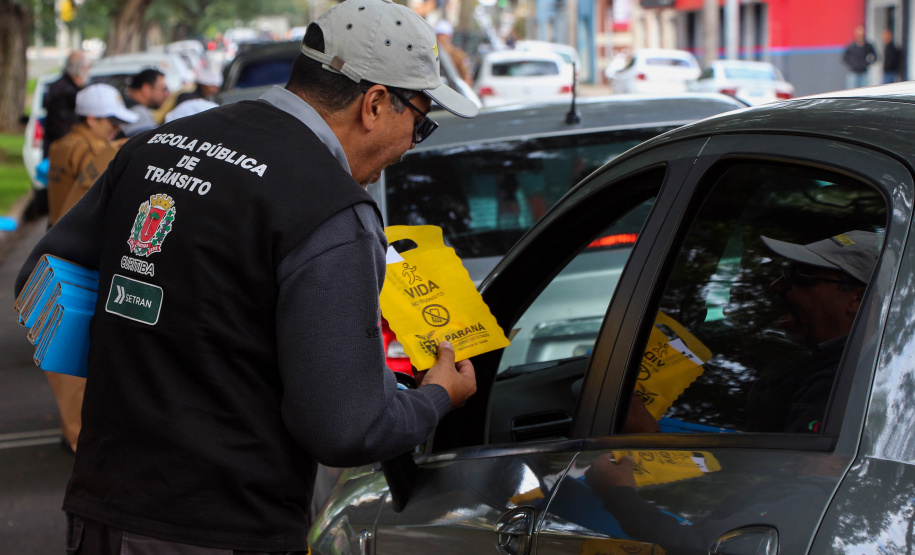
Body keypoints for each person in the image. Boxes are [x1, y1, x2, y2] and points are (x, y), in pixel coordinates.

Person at [14, 0, 479, 552]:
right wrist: (434, 400)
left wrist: (144, 345)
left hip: (103, 509)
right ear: (375, 104)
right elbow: (344, 428)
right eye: (419, 123)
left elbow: (41, 279)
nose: (409, 145)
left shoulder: (156, 146)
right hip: (224, 527)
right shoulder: (331, 212)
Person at [41, 83, 138, 455]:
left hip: (57, 249)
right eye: (110, 121)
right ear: (92, 118)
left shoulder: (60, 145)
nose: (114, 129)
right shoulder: (94, 152)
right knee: (83, 365)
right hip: (82, 260)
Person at [747, 230, 880, 433]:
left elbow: (795, 464)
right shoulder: (832, 365)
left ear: (858, 300)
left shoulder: (845, 384)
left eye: (801, 276)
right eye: (786, 273)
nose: (776, 285)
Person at [47, 83, 138, 225]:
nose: (118, 128)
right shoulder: (92, 149)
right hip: (74, 234)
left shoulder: (61, 144)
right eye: (113, 122)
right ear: (91, 120)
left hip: (55, 230)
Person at [43, 51, 91, 159]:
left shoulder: (58, 86)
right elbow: (62, 125)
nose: (89, 71)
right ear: (80, 69)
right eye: (87, 67)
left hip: (54, 147)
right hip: (62, 151)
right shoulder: (68, 92)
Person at [120, 68, 169, 137]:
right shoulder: (139, 113)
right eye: (164, 89)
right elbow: (152, 146)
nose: (167, 94)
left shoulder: (121, 105)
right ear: (146, 89)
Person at [435, 19, 474, 85]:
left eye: (442, 35)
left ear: (449, 36)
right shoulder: (433, 53)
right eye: (438, 36)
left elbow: (466, 78)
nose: (440, 38)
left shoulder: (458, 55)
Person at [842, 25, 878, 89]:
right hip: (853, 72)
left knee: (864, 90)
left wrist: (867, 63)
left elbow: (875, 57)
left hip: (864, 72)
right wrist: (852, 63)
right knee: (852, 90)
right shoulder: (852, 46)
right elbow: (845, 57)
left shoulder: (868, 46)